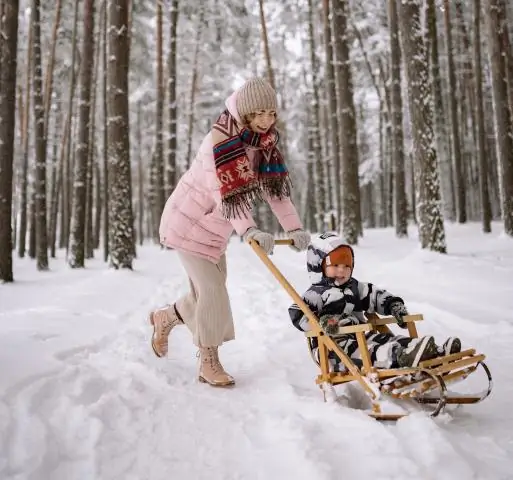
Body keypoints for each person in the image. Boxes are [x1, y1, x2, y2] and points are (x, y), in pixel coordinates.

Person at [150, 77, 311, 387]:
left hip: (214, 232)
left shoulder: (263, 145)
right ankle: (208, 363)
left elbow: (275, 192)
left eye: (271, 113)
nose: (267, 120)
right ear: (246, 113)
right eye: (260, 113)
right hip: (187, 226)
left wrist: (295, 228)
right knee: (212, 292)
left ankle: (166, 317)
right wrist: (249, 229)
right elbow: (224, 193)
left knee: (205, 295)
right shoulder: (218, 142)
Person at [288, 233, 461, 371]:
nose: (342, 270)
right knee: (370, 351)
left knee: (387, 340)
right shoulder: (314, 294)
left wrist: (393, 305)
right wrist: (321, 324)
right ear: (318, 266)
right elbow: (297, 313)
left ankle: (434, 353)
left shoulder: (356, 287)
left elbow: (374, 295)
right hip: (333, 348)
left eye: (347, 265)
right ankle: (400, 357)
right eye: (335, 265)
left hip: (363, 335)